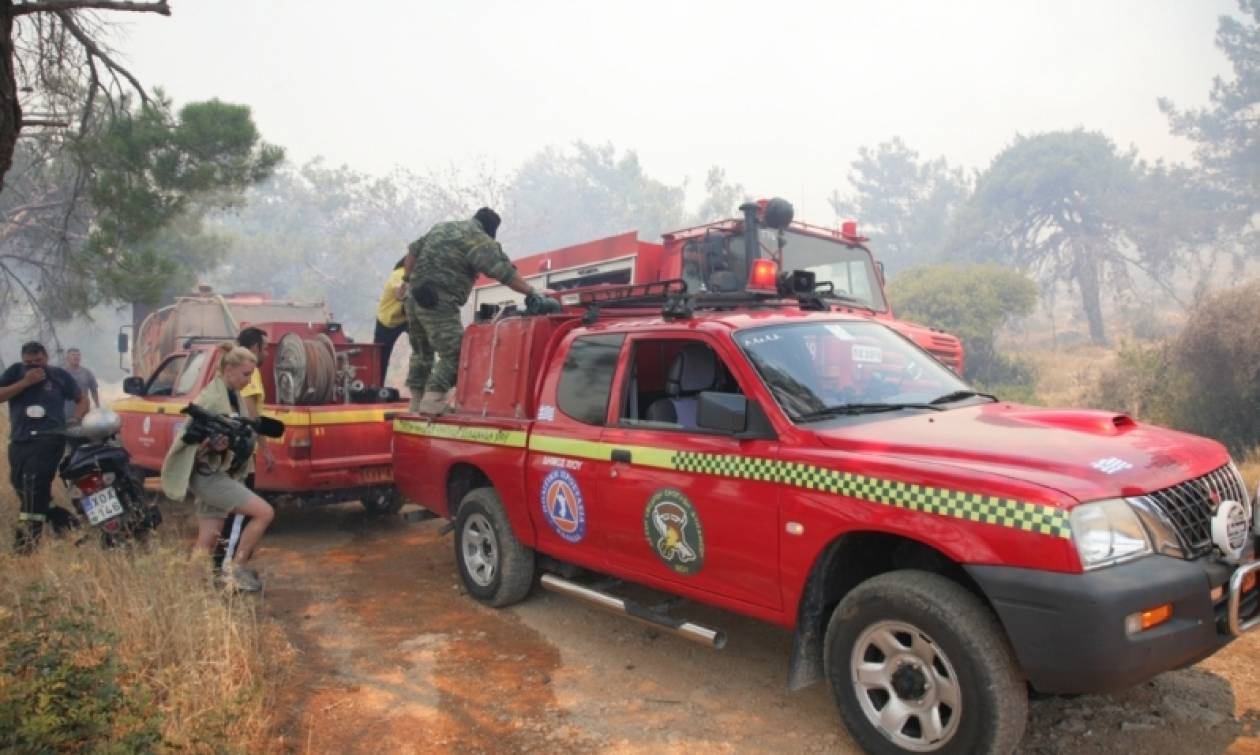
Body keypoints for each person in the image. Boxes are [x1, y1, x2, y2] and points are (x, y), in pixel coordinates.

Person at [403, 207, 559, 414]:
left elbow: (412, 252)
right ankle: (433, 399)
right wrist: (532, 293)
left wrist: (406, 281)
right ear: (491, 230)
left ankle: (416, 403)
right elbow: (505, 273)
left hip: (413, 298)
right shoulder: (478, 239)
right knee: (460, 352)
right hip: (437, 301)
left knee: (422, 352)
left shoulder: (443, 227)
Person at [160, 343, 275, 591]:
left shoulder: (231, 395)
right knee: (264, 513)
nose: (248, 380)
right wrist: (211, 446)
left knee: (209, 537)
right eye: (245, 374)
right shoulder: (211, 398)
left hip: (218, 472)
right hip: (209, 475)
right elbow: (190, 442)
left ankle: (188, 590)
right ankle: (235, 571)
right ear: (230, 369)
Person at [0, 341, 88, 551]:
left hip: (50, 439)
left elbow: (82, 400)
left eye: (37, 361)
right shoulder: (15, 372)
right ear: (23, 360)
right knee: (19, 483)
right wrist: (24, 383)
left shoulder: (59, 375)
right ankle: (63, 521)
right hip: (20, 439)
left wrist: (75, 419)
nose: (33, 366)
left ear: (46, 358)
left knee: (34, 484)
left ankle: (26, 544)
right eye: (28, 362)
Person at [373, 258, 409, 381]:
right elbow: (400, 290)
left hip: (407, 318)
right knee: (379, 360)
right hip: (388, 321)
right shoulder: (399, 273)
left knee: (424, 347)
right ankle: (376, 388)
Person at [63, 348, 100, 415]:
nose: (76, 357)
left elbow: (94, 390)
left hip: (84, 410)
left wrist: (97, 406)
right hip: (66, 411)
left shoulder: (87, 372)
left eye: (78, 355)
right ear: (67, 358)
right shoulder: (62, 373)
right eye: (73, 355)